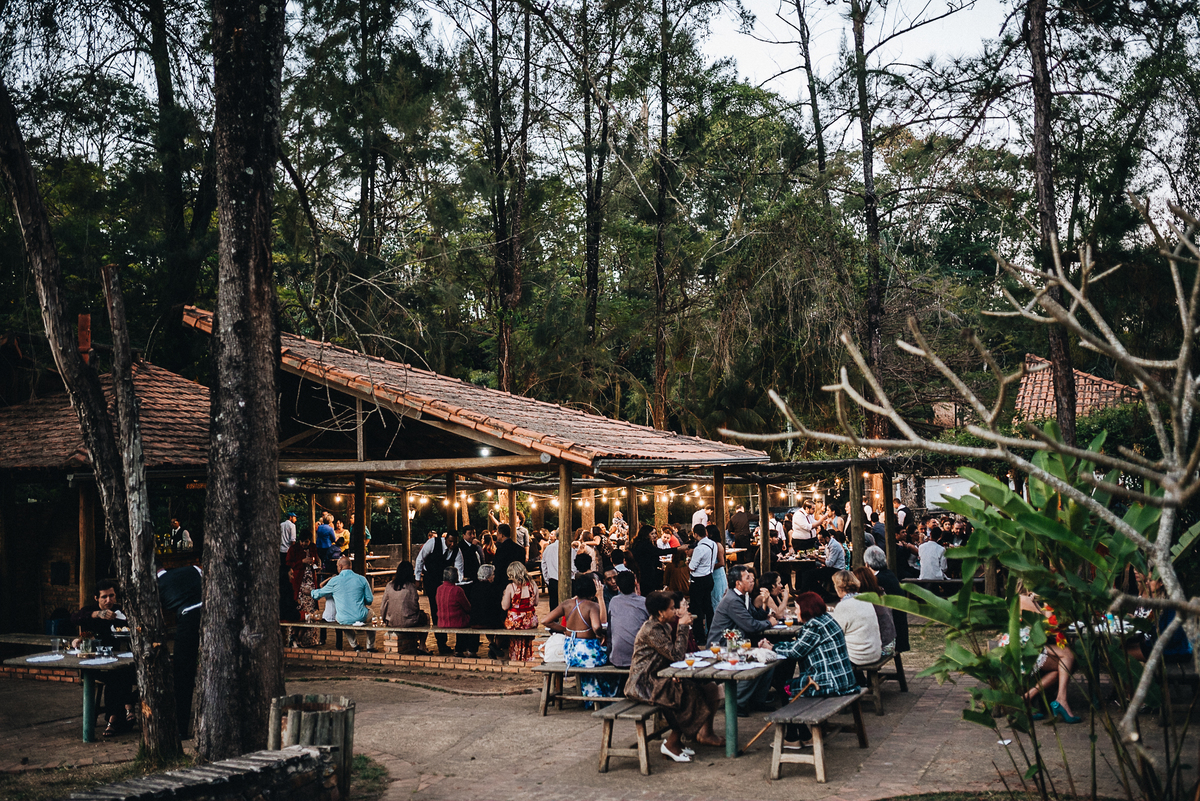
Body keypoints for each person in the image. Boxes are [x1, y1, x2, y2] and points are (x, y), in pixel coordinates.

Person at [625, 591, 724, 760]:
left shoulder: (664, 626)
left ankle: (678, 741)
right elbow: (677, 655)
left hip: (657, 678)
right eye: (672, 608)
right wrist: (683, 627)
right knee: (684, 693)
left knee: (692, 689)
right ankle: (672, 742)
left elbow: (669, 657)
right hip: (643, 684)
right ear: (660, 612)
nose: (675, 610)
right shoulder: (651, 630)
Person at [766, 591, 859, 748]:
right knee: (788, 686)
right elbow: (800, 646)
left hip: (830, 683)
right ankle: (804, 735)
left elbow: (796, 652)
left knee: (786, 688)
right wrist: (776, 647)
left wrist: (772, 647)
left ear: (807, 609)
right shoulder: (825, 619)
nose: (796, 612)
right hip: (843, 679)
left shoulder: (814, 626)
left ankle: (792, 737)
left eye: (797, 608)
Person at [707, 565, 777, 716]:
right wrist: (769, 623)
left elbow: (754, 616)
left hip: (736, 643)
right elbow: (750, 625)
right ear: (738, 583)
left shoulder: (743, 596)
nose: (752, 581)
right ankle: (737, 702)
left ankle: (757, 700)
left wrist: (765, 609)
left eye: (751, 577)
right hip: (723, 646)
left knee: (768, 658)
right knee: (755, 662)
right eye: (748, 578)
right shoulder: (732, 600)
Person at [70, 580, 135, 736]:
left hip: (119, 661)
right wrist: (97, 615)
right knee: (117, 676)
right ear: (96, 598)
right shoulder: (89, 611)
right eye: (104, 597)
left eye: (112, 596)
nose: (109, 600)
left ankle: (116, 715)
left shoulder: (119, 611)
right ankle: (123, 710)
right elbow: (75, 618)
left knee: (122, 672)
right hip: (96, 664)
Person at [545, 576, 616, 700]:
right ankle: (602, 696)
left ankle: (591, 693)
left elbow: (546, 620)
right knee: (611, 660)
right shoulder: (592, 606)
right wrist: (600, 634)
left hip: (570, 654)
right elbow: (597, 626)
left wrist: (565, 630)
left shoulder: (566, 604)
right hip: (588, 654)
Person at [1017, 588, 1081, 723]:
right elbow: (1048, 625)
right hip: (1023, 649)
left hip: (1030, 644)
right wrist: (1047, 600)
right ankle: (1061, 700)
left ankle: (1027, 698)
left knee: (1064, 664)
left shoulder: (1031, 600)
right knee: (1067, 657)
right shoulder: (1023, 599)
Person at [156, 563, 203, 737]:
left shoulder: (156, 587)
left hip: (188, 618)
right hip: (209, 610)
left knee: (183, 673)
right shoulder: (192, 569)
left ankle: (181, 729)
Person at [414, 530, 464, 655]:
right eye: (450, 541)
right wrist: (417, 578)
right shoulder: (433, 543)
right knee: (435, 609)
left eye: (455, 542)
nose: (452, 544)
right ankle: (441, 642)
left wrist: (457, 584)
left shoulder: (457, 551)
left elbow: (459, 569)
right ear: (446, 539)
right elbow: (420, 559)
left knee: (447, 608)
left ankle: (447, 642)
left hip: (445, 582)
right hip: (431, 579)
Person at [311, 557, 376, 651]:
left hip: (343, 618)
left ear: (340, 566)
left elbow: (317, 594)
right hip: (361, 615)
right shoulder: (362, 579)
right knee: (372, 616)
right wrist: (360, 601)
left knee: (342, 619)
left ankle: (355, 645)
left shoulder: (334, 581)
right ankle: (370, 646)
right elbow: (370, 600)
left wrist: (311, 592)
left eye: (337, 566)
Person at [863, 545, 909, 653]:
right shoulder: (889, 574)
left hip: (891, 633)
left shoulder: (878, 580)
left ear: (867, 564)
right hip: (899, 630)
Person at [831, 571, 882, 665]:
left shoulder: (843, 606)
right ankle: (860, 679)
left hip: (857, 656)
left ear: (839, 587)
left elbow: (835, 633)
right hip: (874, 652)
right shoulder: (865, 600)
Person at [286, 529, 322, 647]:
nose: (303, 544)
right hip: (298, 582)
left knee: (311, 610)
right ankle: (294, 637)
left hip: (311, 580)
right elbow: (288, 563)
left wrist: (315, 563)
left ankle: (309, 639)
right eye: (302, 542)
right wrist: (301, 561)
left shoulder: (313, 547)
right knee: (299, 609)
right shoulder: (294, 549)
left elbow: (316, 558)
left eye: (306, 542)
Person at [380, 561, 424, 654]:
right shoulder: (411, 587)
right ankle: (422, 645)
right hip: (408, 621)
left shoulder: (389, 585)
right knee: (425, 617)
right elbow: (415, 606)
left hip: (391, 621)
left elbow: (383, 606)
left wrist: (385, 619)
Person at [852, 566, 896, 657]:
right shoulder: (880, 593)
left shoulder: (867, 600)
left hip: (881, 645)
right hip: (890, 641)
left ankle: (856, 671)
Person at [607, 572, 648, 668]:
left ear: (618, 587)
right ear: (635, 584)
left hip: (618, 659)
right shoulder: (644, 602)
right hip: (641, 659)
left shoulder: (614, 601)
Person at [501, 561, 540, 661]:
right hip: (530, 619)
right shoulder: (533, 585)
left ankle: (516, 658)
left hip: (516, 621)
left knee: (515, 640)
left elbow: (505, 606)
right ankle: (528, 657)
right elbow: (536, 602)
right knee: (528, 641)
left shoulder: (511, 587)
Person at [466, 564, 506, 658]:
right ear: (489, 576)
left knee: (487, 620)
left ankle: (491, 644)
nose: (494, 576)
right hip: (492, 622)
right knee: (502, 626)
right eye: (493, 574)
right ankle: (495, 646)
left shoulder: (474, 587)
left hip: (475, 621)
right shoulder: (495, 588)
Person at [687, 523, 719, 641]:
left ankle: (699, 635)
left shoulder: (699, 548)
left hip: (698, 579)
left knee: (697, 608)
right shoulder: (713, 544)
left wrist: (688, 562)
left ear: (695, 534)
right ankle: (711, 631)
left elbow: (692, 567)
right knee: (708, 607)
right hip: (709, 577)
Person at [435, 567, 471, 655]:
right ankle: (460, 649)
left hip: (442, 621)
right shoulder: (458, 590)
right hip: (457, 621)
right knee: (469, 621)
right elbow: (467, 607)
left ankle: (444, 646)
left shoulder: (439, 589)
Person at [629, 523, 662, 594]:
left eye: (655, 533)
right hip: (647, 574)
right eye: (652, 534)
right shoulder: (645, 545)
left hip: (643, 573)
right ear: (646, 534)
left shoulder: (639, 543)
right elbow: (659, 552)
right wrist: (677, 549)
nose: (655, 535)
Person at [706, 523, 728, 610]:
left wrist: (709, 567)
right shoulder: (710, 545)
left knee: (717, 598)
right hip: (712, 575)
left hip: (718, 575)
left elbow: (722, 562)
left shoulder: (718, 545)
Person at [540, 531, 561, 605]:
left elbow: (544, 565)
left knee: (554, 605)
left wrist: (547, 579)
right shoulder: (570, 548)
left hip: (552, 579)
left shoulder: (548, 548)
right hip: (566, 578)